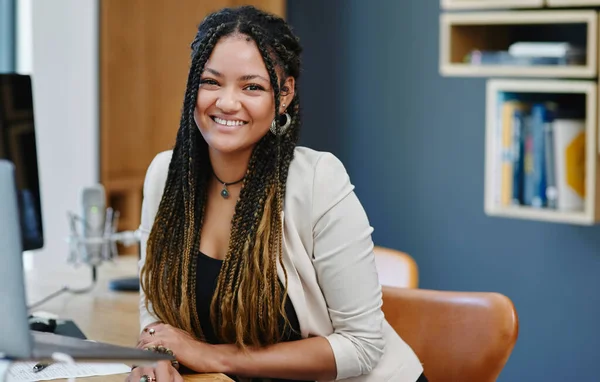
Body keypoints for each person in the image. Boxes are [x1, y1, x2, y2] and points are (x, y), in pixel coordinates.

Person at [126, 5, 426, 382]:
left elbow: (361, 346)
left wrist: (212, 357)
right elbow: (154, 303)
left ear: (283, 96)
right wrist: (156, 353)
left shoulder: (318, 182)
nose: (227, 102)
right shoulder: (164, 177)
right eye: (211, 82)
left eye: (252, 86)